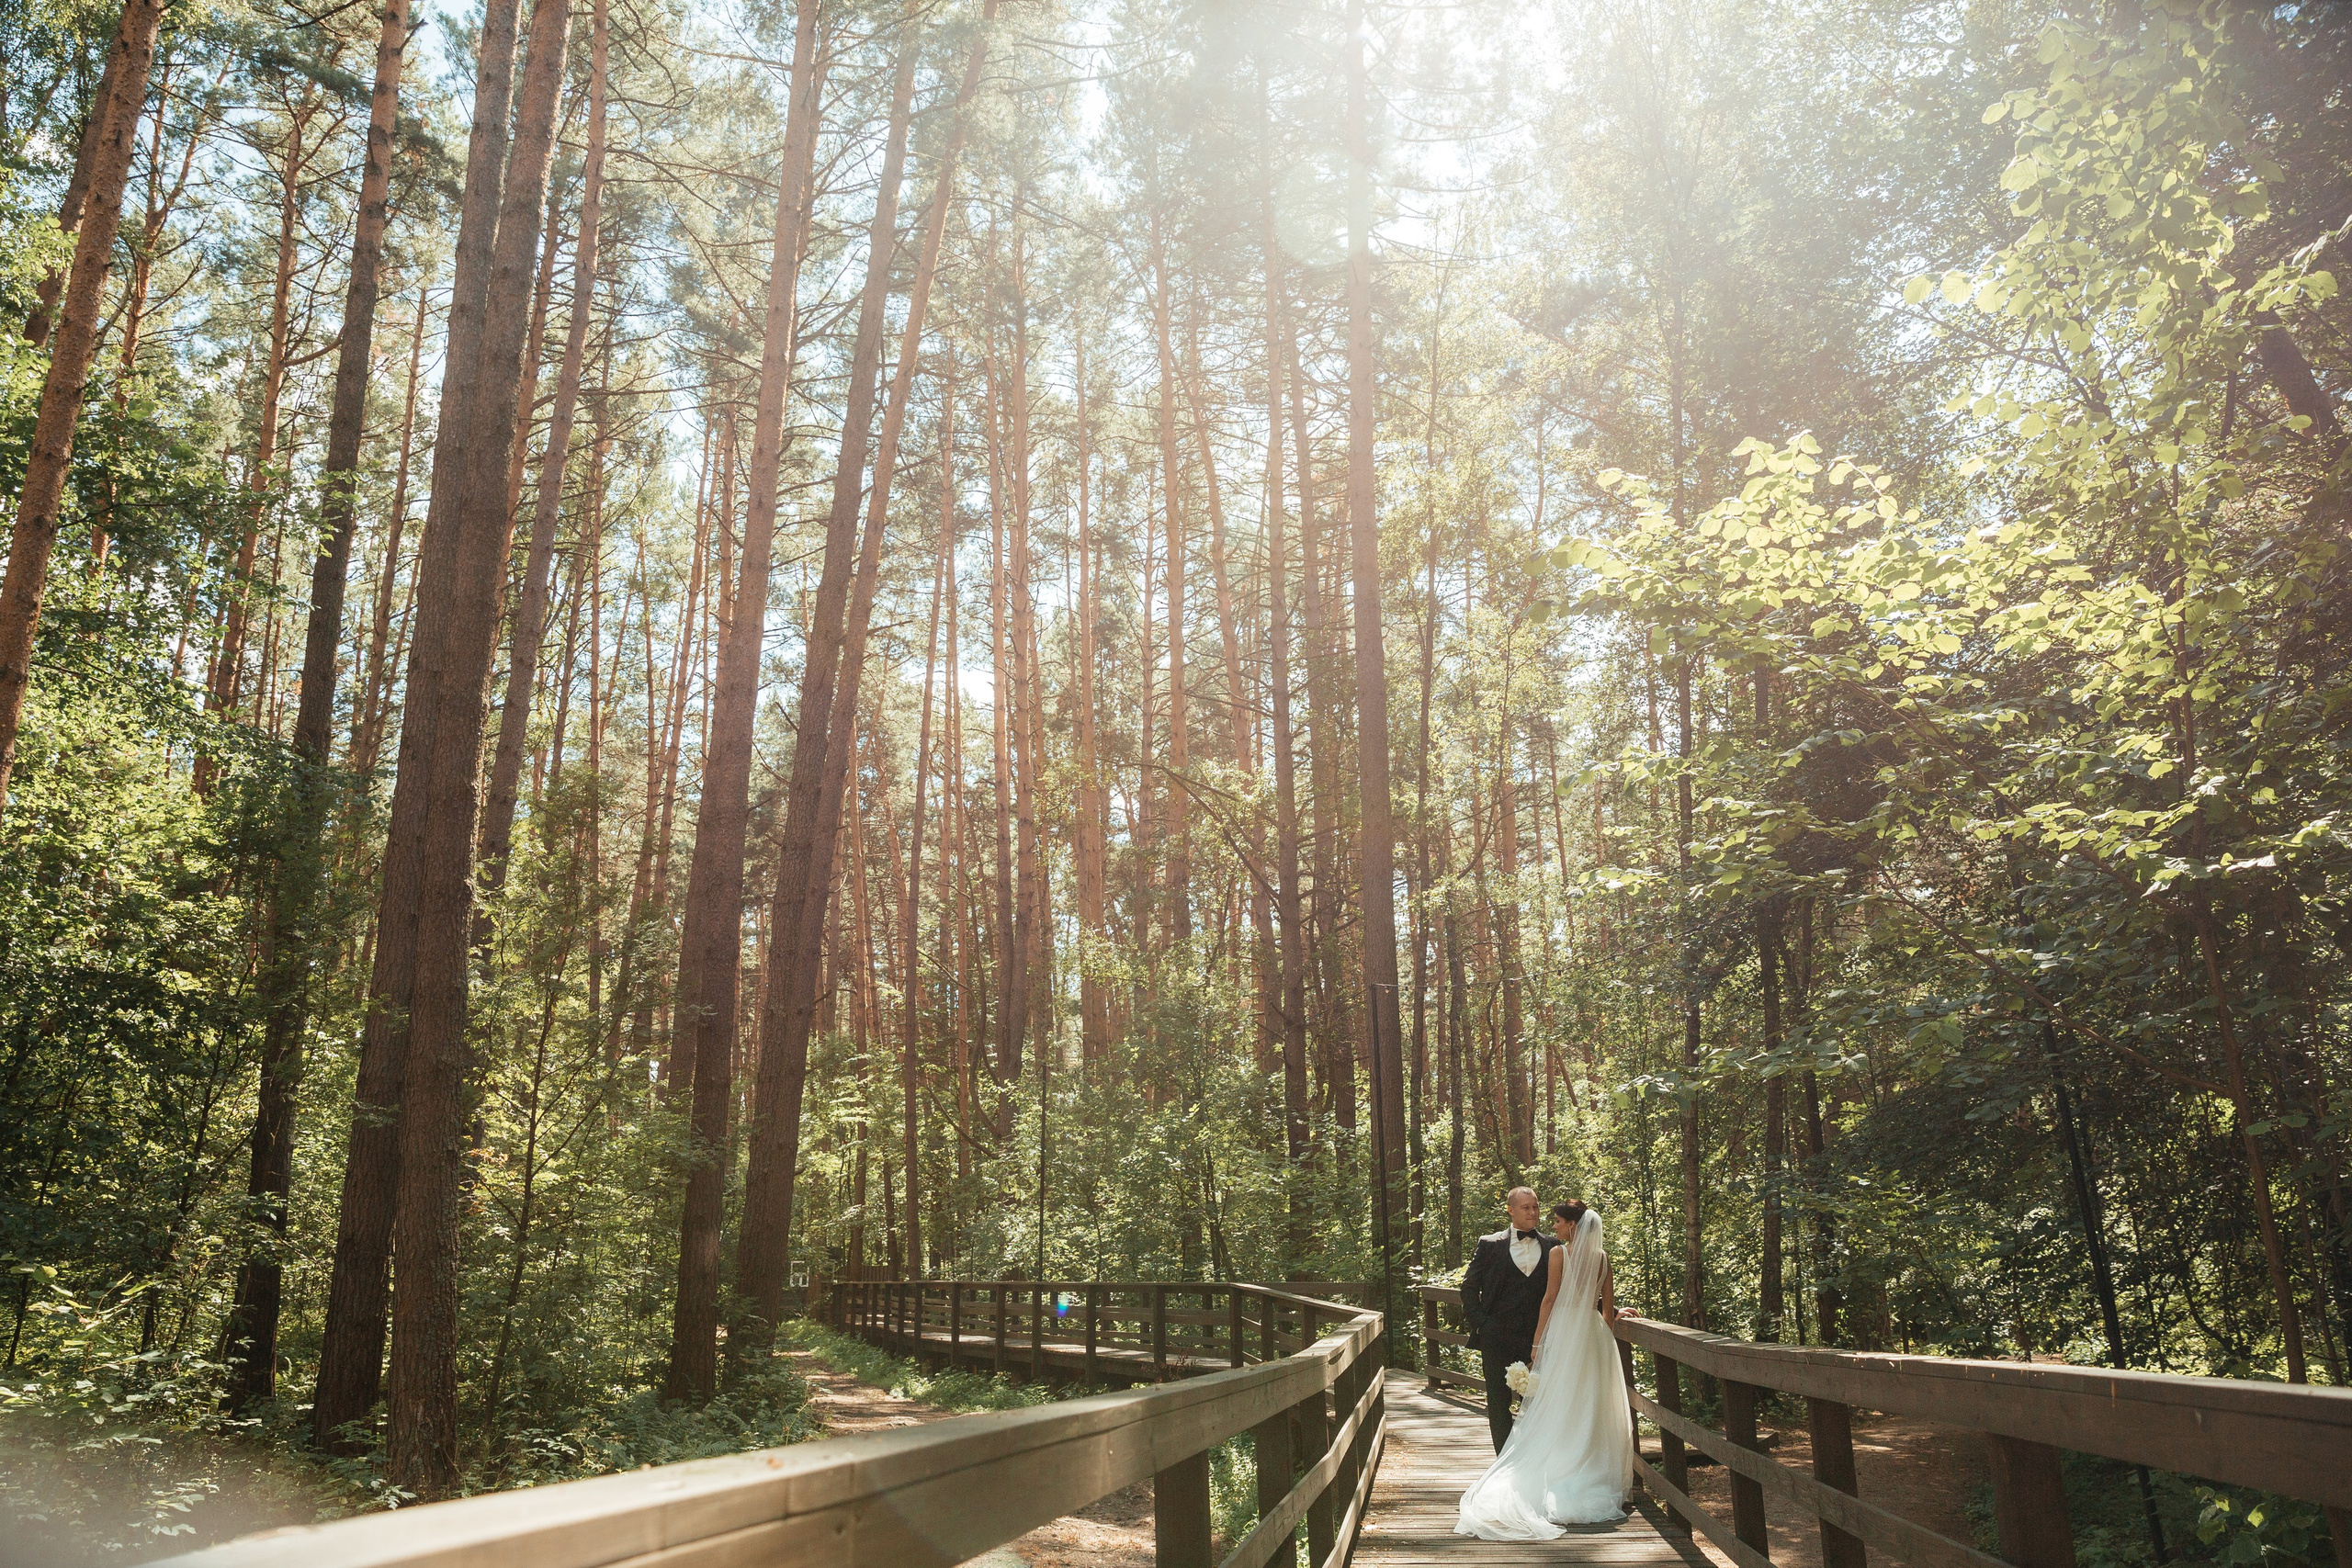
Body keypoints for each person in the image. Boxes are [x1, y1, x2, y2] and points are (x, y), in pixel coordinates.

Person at [1455, 1200, 1636, 1539]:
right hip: (1594, 1337)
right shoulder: (1603, 1258)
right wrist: (1607, 1327)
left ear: (1572, 1225)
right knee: (1588, 1404)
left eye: (1557, 1221)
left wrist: (1538, 1344)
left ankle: (1555, 1467)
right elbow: (1605, 1310)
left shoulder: (1558, 1253)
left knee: (1558, 1402)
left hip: (1564, 1333)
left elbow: (1550, 1299)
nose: (1551, 1225)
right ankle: (1590, 1469)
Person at [1457, 1186, 1560, 1451]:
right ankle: (1502, 1461)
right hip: (1496, 1336)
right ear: (1510, 1210)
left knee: (1541, 1399)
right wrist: (1483, 1323)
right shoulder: (1490, 1245)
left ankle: (1536, 1459)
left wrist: (1611, 1310)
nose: (1533, 1212)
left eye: (1536, 1206)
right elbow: (1469, 1287)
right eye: (1526, 1207)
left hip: (1539, 1338)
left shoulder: (1553, 1246)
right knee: (1498, 1401)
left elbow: (1569, 1290)